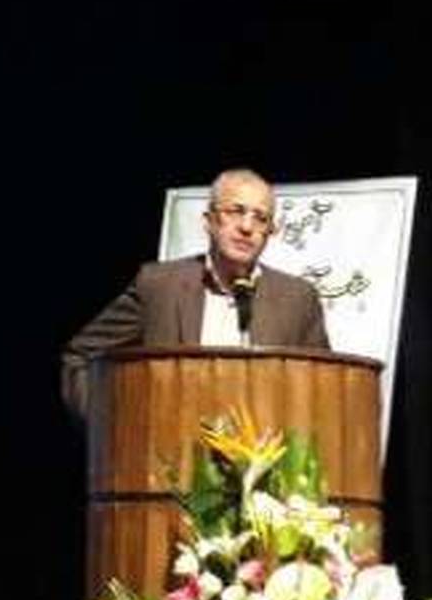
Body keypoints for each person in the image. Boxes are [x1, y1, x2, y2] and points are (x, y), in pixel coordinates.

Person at [60, 168, 330, 415]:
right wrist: (109, 430)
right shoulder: (157, 286)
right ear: (209, 221)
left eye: (260, 218)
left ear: (270, 231)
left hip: (264, 449)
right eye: (235, 211)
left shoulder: (298, 299)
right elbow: (80, 356)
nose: (247, 227)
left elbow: (323, 386)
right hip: (170, 447)